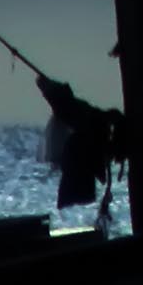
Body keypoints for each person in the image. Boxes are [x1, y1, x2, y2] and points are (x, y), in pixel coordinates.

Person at [38, 76, 114, 223]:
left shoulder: (82, 118)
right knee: (75, 205)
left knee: (76, 205)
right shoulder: (82, 117)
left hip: (79, 175)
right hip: (78, 174)